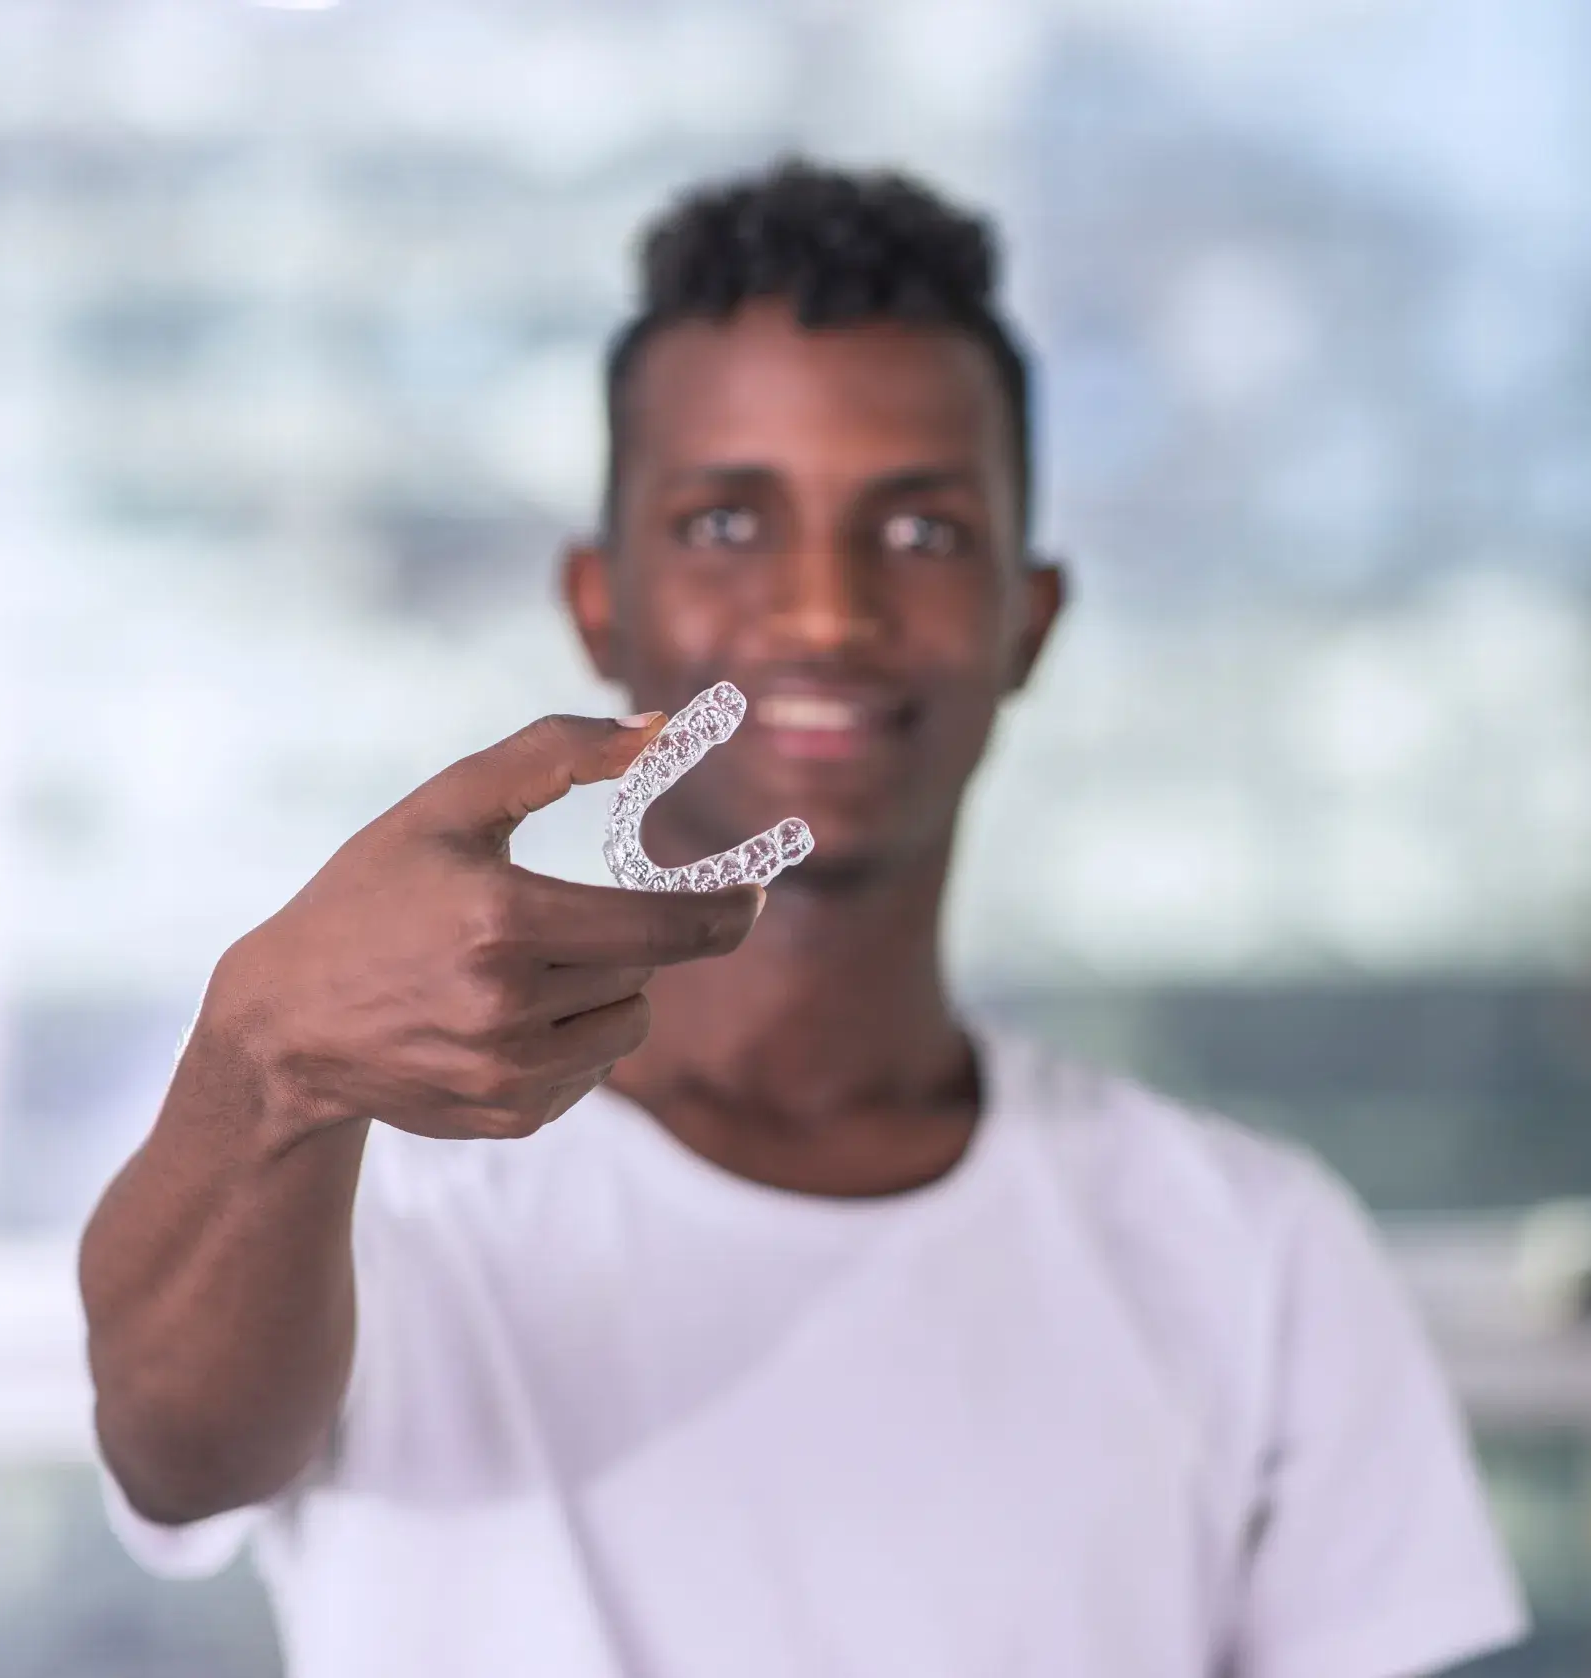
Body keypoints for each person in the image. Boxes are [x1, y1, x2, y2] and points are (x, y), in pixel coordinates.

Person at [80, 161, 1526, 1678]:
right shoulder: (371, 1183)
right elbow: (175, 1455)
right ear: (598, 599)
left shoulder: (1251, 1247)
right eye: (724, 523)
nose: (825, 610)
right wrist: (269, 1059)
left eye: (915, 534)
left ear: (1027, 619)